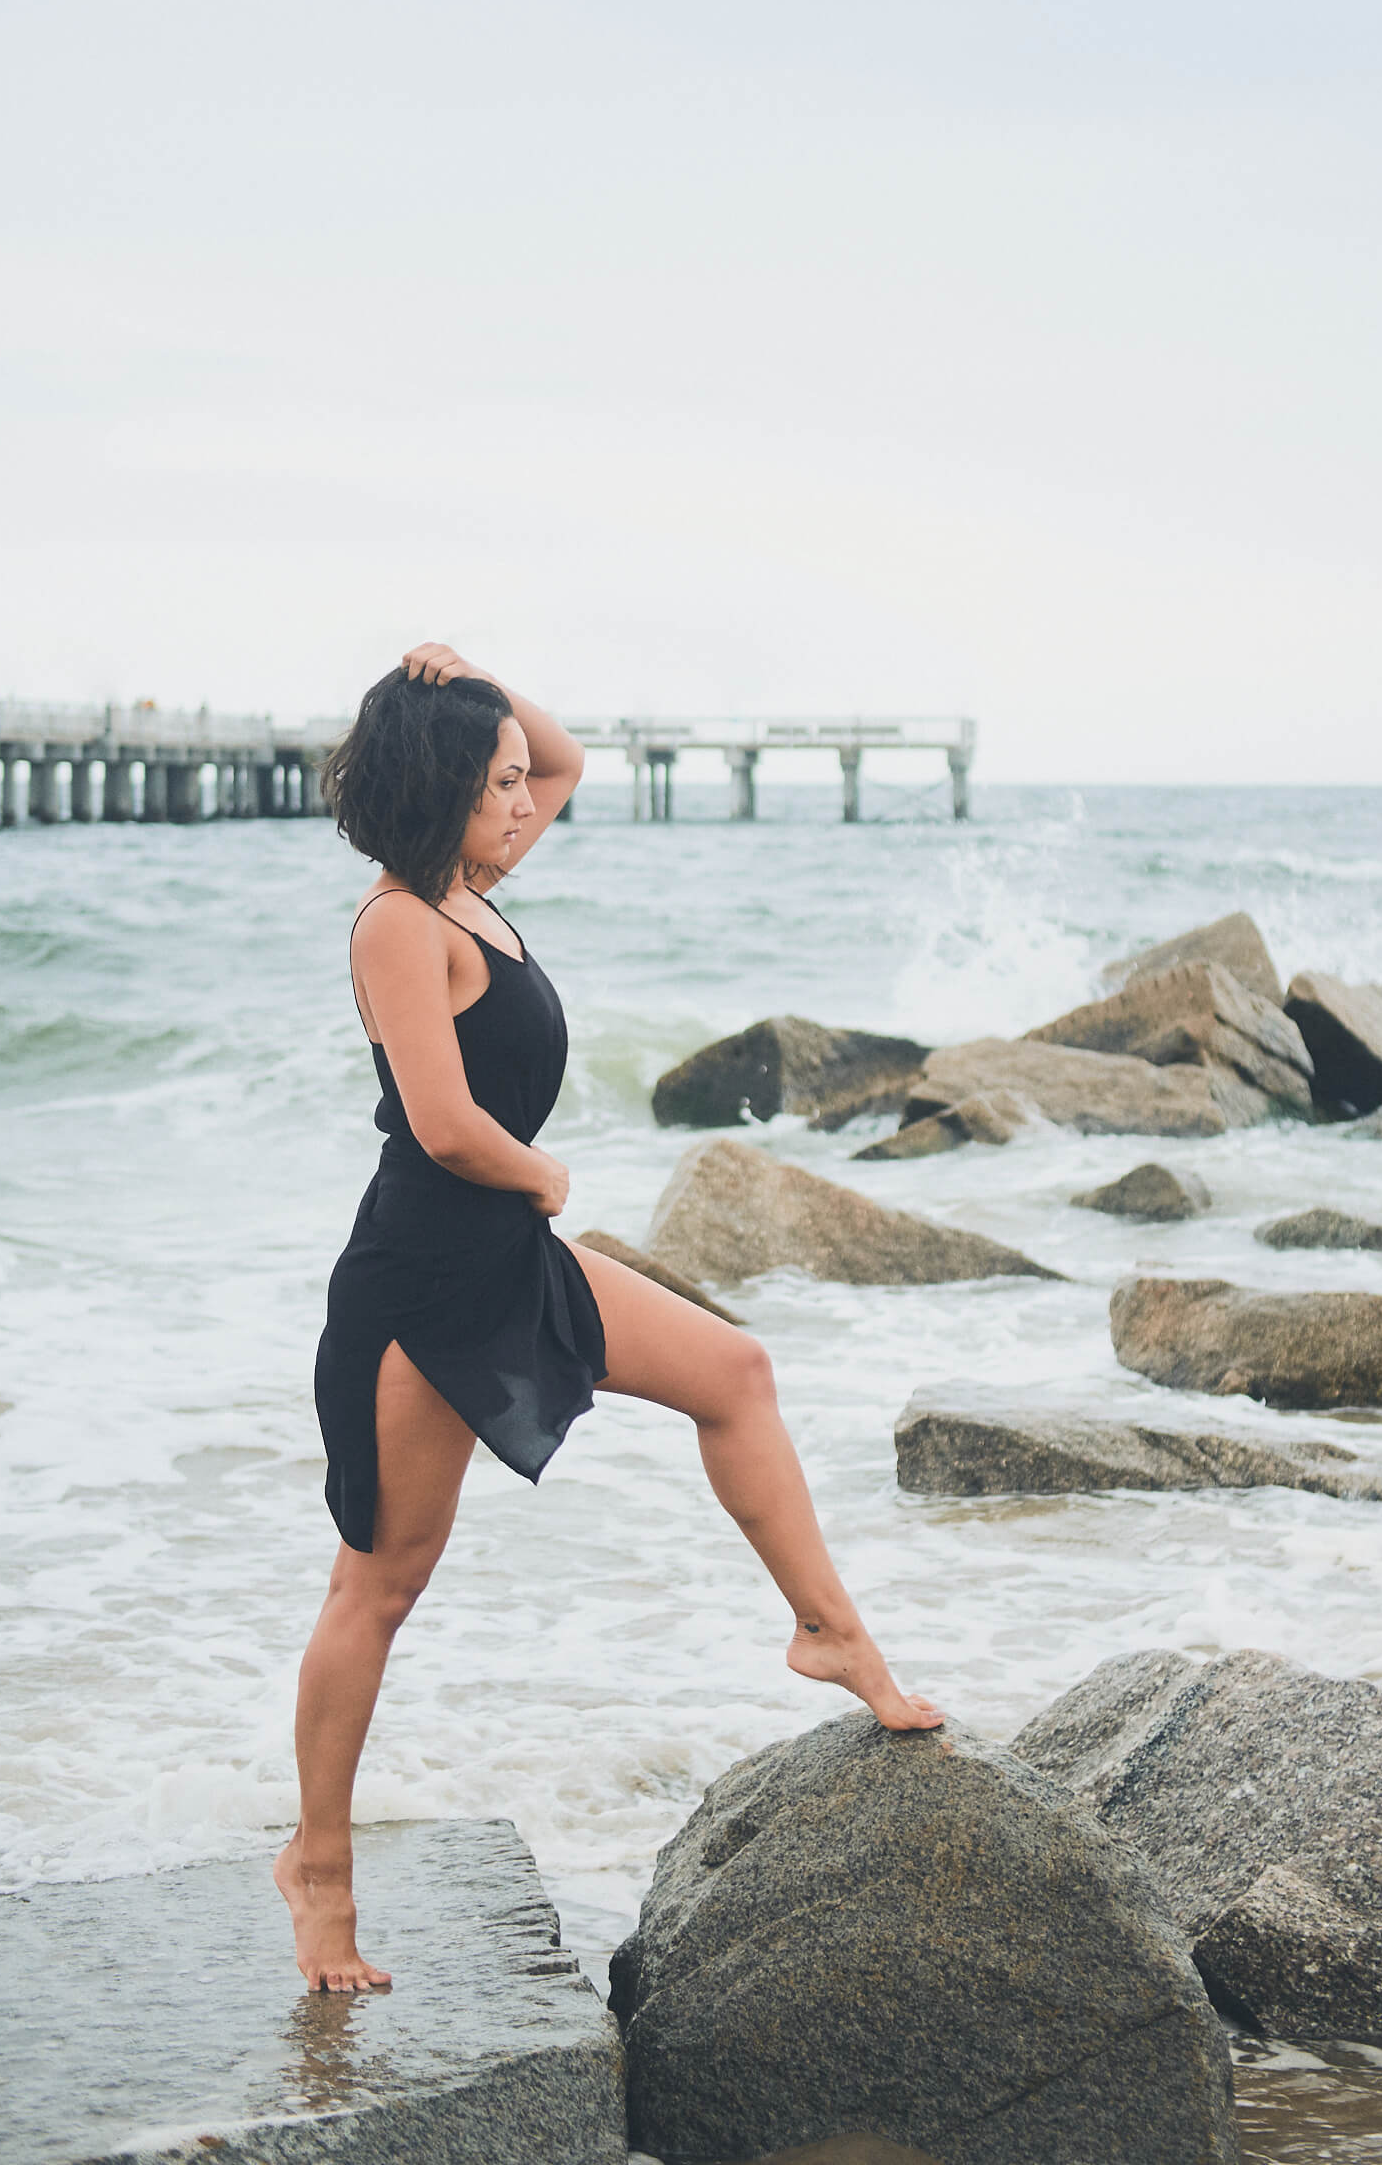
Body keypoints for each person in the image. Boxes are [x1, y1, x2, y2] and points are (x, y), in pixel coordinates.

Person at [275, 641, 941, 1992]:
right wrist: (547, 1174)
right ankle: (320, 1866)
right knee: (380, 1584)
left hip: (508, 1258)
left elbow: (568, 756)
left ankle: (834, 1637)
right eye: (496, 783)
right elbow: (447, 1125)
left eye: (521, 784)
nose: (529, 799)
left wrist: (478, 677)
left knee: (735, 1372)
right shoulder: (400, 921)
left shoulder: (476, 890)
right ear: (438, 792)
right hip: (422, 1280)